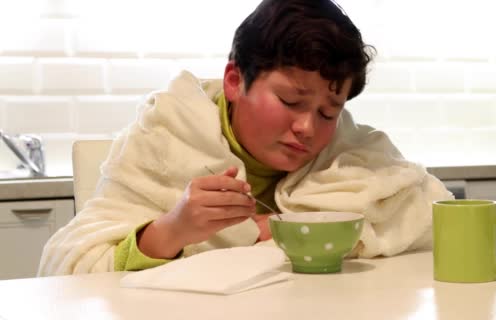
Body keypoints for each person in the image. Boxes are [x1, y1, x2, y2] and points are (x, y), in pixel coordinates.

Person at [38, 0, 453, 276]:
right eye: (291, 100)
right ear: (235, 80)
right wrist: (173, 229)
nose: (309, 128)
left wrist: (308, 227)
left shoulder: (350, 151)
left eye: (329, 111)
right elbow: (68, 268)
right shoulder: (165, 137)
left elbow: (437, 216)